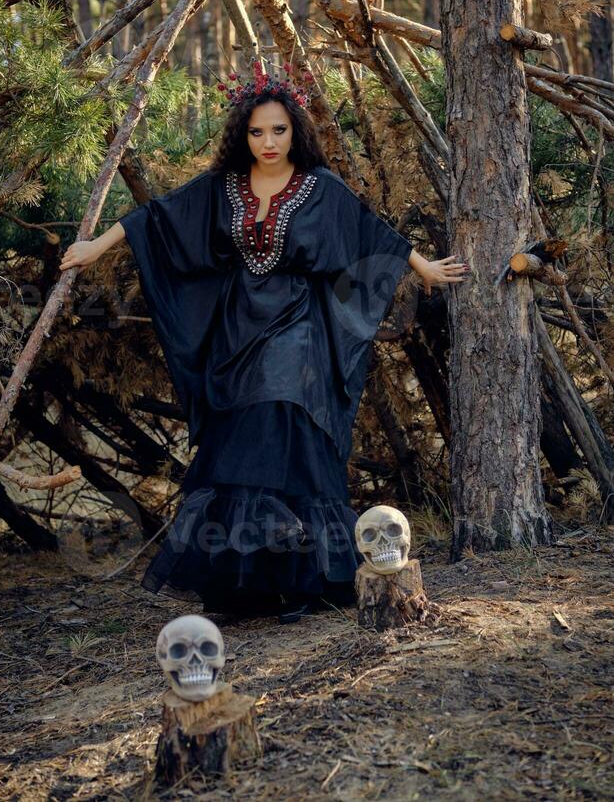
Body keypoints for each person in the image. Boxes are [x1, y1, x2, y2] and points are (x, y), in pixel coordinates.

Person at [59, 61, 469, 623]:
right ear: (242, 135)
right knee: (238, 442)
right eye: (257, 132)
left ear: (295, 131)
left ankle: (305, 581)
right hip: (236, 329)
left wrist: (422, 268)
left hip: (297, 327)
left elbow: (366, 229)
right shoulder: (223, 188)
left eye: (278, 130)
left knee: (286, 423)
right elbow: (157, 218)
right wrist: (93, 249)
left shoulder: (318, 186)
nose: (268, 141)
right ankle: (242, 589)